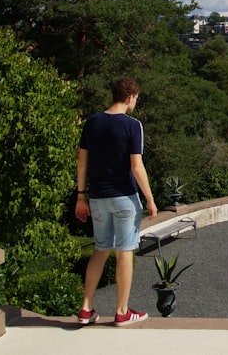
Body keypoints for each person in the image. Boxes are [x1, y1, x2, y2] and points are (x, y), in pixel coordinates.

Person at [74, 77, 158, 326]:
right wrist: (150, 199)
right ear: (131, 97)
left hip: (98, 197)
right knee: (124, 252)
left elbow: (82, 161)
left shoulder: (92, 123)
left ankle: (86, 308)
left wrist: (81, 196)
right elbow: (136, 166)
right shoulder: (133, 126)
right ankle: (122, 311)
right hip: (124, 198)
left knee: (100, 250)